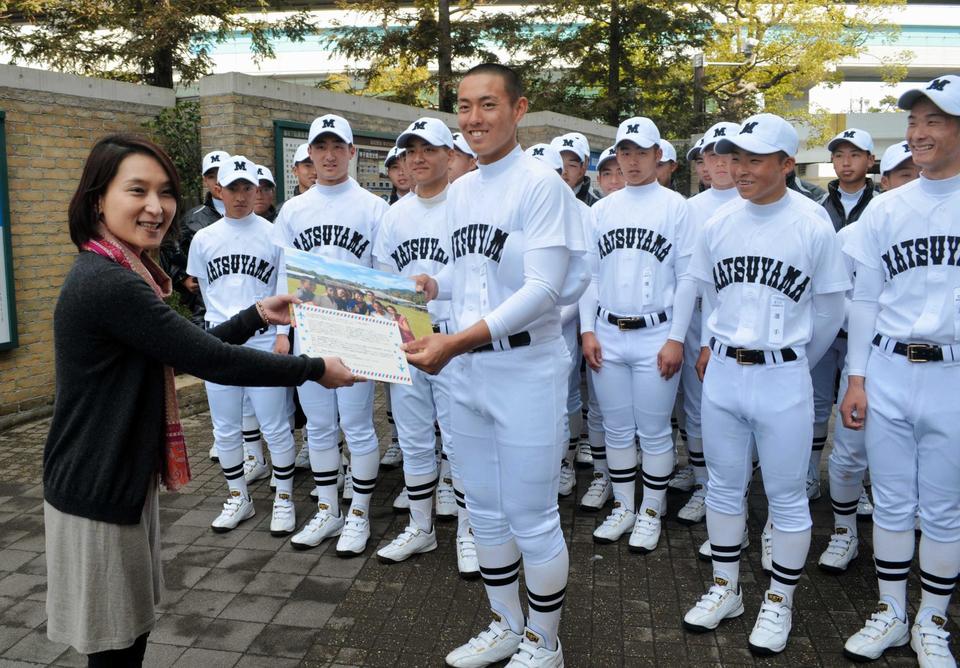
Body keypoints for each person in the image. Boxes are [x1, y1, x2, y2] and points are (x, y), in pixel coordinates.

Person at [42, 134, 356, 668]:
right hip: (97, 481)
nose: (156, 207)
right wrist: (315, 369)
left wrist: (256, 314)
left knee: (128, 635)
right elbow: (211, 359)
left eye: (164, 192)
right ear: (98, 198)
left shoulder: (118, 272)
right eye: (136, 190)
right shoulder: (109, 283)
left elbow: (187, 348)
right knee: (115, 645)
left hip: (112, 475)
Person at [405, 63, 584, 667]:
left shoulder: (540, 185)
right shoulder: (461, 191)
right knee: (482, 507)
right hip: (467, 370)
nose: (474, 119)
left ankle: (545, 642)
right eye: (464, 106)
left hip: (524, 368)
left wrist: (456, 340)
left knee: (532, 515)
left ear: (517, 109)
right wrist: (434, 285)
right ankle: (507, 623)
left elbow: (543, 291)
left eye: (487, 105)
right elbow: (469, 272)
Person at [678, 113, 849, 655]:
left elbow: (829, 310)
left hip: (782, 375)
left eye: (754, 158)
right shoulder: (719, 222)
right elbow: (706, 295)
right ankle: (726, 588)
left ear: (786, 164)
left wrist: (791, 357)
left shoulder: (812, 222)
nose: (740, 168)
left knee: (788, 496)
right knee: (725, 490)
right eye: (735, 157)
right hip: (725, 372)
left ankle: (779, 601)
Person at [839, 74, 960, 666]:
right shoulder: (885, 208)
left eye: (934, 120)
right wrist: (856, 377)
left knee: (943, 507)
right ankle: (890, 609)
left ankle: (931, 621)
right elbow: (864, 298)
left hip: (953, 375)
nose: (918, 132)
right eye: (914, 121)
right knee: (889, 502)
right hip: (887, 369)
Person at [272, 113, 389, 556]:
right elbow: (285, 273)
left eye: (337, 146)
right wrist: (286, 332)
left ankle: (358, 512)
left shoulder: (374, 208)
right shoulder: (294, 209)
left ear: (351, 152)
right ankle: (328, 509)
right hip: (310, 331)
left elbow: (383, 275)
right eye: (320, 147)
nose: (328, 155)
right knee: (319, 427)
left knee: (357, 427)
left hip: (357, 332)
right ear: (310, 153)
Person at [579, 116, 693, 555]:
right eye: (623, 152)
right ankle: (626, 505)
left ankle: (652, 510)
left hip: (655, 333)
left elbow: (687, 279)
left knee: (655, 430)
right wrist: (587, 330)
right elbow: (588, 277)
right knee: (618, 429)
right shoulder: (602, 209)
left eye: (640, 152)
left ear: (658, 155)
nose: (630, 160)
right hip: (609, 331)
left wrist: (676, 337)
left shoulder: (675, 206)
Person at [373, 116, 480, 577]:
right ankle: (421, 526)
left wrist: (442, 290)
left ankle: (472, 532)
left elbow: (478, 275)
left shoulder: (467, 204)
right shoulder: (394, 213)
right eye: (410, 150)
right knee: (415, 439)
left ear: (448, 155)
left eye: (429, 149)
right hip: (406, 339)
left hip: (454, 338)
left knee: (460, 441)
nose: (418, 158)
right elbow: (381, 280)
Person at [187, 155, 304, 535]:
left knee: (274, 426)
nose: (239, 195)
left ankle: (284, 498)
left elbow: (284, 287)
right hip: (218, 344)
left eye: (246, 188)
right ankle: (239, 496)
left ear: (258, 190)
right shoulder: (204, 238)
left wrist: (284, 336)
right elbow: (205, 289)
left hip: (264, 339)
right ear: (218, 189)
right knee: (224, 429)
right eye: (232, 187)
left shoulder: (273, 233)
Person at [671, 122, 743, 534]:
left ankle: (725, 487)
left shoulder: (752, 202)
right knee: (694, 408)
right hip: (693, 319)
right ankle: (703, 481)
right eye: (710, 156)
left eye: (727, 155)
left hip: (732, 327)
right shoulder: (690, 208)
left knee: (727, 413)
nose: (717, 164)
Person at [806, 128, 879, 507]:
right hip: (823, 322)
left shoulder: (882, 206)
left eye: (854, 155)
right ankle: (809, 474)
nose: (845, 162)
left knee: (857, 410)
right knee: (816, 404)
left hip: (866, 332)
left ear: (870, 160)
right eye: (838, 155)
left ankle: (857, 484)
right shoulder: (818, 204)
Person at [551, 132, 598, 206]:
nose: (564, 171)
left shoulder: (595, 204)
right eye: (559, 163)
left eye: (572, 165)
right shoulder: (542, 195)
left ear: (585, 163)